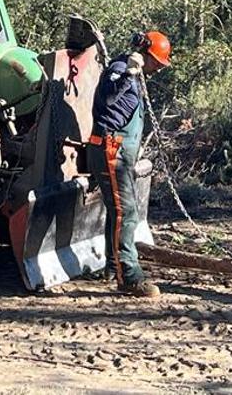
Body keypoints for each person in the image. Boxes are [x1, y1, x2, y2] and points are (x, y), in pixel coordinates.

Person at [86, 30, 171, 298]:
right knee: (127, 212)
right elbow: (108, 97)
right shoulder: (121, 70)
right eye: (157, 62)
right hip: (112, 148)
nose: (158, 68)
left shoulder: (136, 76)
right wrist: (128, 75)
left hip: (119, 151)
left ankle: (114, 267)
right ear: (144, 55)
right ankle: (130, 276)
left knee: (119, 211)